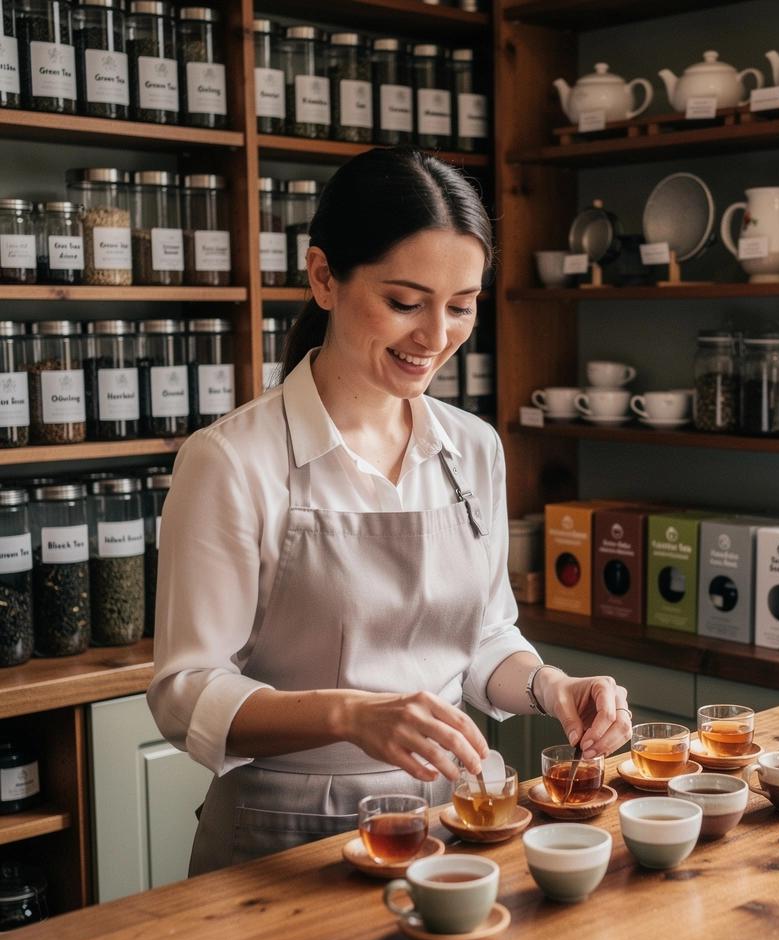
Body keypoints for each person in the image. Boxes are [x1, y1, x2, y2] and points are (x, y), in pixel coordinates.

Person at [148, 148, 632, 874]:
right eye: (405, 303)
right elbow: (186, 694)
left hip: (452, 822)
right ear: (323, 278)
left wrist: (549, 686)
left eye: (461, 307)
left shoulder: (473, 448)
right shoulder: (230, 460)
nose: (436, 337)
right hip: (283, 841)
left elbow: (483, 636)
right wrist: (352, 713)